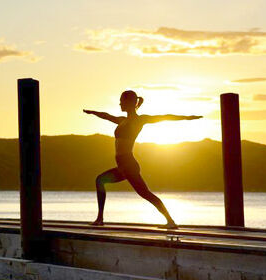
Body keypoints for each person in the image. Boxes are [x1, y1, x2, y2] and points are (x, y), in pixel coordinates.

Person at [83, 90, 201, 229]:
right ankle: (100, 219)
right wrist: (93, 112)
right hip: (122, 166)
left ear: (130, 102)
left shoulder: (139, 120)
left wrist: (187, 117)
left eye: (122, 101)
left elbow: (164, 117)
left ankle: (170, 221)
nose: (120, 104)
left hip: (129, 165)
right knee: (100, 180)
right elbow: (107, 116)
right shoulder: (122, 120)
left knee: (145, 194)